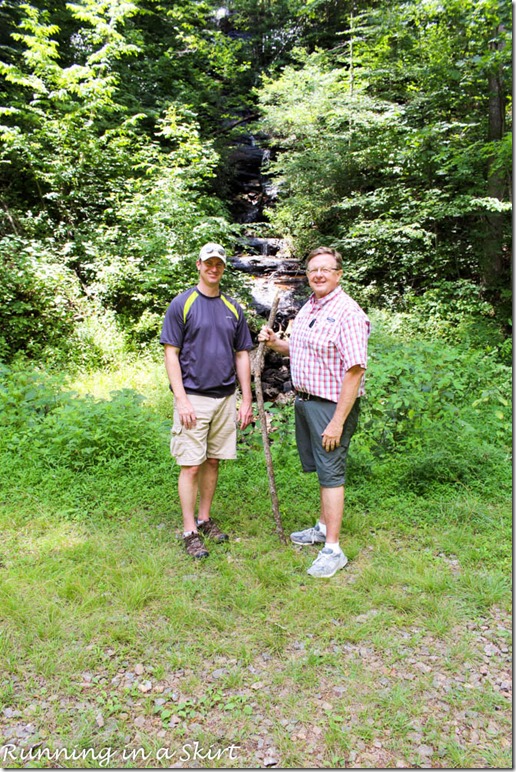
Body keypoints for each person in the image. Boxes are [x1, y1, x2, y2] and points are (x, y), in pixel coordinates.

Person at [258, 246, 370, 578]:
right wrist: (276, 343)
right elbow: (302, 349)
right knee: (322, 471)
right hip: (306, 400)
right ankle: (322, 528)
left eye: (325, 269)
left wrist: (337, 421)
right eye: (312, 270)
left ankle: (333, 550)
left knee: (332, 474)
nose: (318, 274)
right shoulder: (310, 306)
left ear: (339, 274)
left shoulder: (349, 313)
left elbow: (354, 371)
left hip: (331, 405)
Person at [160, 243, 254, 559]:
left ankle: (204, 518)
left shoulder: (233, 308)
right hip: (194, 398)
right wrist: (181, 399)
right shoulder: (182, 304)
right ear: (199, 265)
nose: (214, 268)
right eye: (209, 263)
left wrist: (246, 399)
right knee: (190, 465)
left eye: (219, 264)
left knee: (213, 461)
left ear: (223, 268)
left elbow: (242, 354)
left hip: (225, 397)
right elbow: (170, 354)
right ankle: (189, 531)